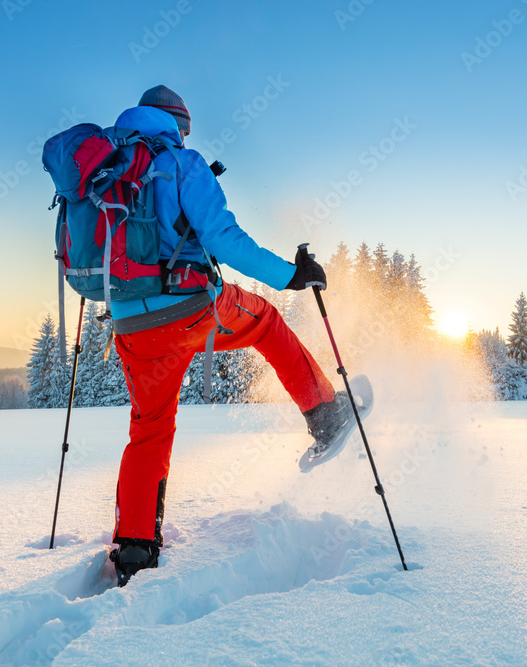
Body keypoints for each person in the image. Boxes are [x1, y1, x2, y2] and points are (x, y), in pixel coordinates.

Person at [108, 85, 352, 585]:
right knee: (265, 320)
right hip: (192, 309)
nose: (184, 136)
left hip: (131, 326)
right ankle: (324, 415)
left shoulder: (107, 170)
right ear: (174, 122)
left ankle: (135, 550)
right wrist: (290, 274)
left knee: (149, 428)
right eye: (185, 127)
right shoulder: (182, 164)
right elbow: (223, 238)